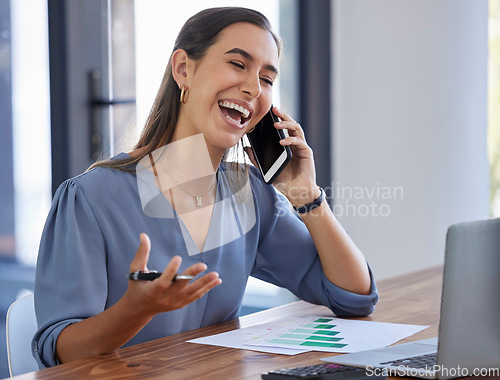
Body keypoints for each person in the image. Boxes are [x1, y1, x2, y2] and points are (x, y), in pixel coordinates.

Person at [32, 7, 378, 369]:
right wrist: (134, 310)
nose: (252, 88)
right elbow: (61, 352)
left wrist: (307, 196)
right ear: (184, 69)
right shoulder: (90, 198)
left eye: (267, 78)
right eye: (238, 64)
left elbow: (353, 296)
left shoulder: (251, 196)